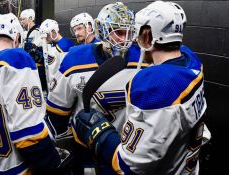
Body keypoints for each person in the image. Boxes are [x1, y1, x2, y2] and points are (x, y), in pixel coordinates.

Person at [71, 1, 209, 174]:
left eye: (136, 32)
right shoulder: (192, 62)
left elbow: (128, 166)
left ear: (148, 37)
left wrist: (99, 132)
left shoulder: (156, 85)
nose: (132, 39)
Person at [46, 2, 145, 175]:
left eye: (130, 32)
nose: (125, 39)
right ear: (102, 31)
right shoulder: (75, 59)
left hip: (129, 150)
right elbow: (57, 115)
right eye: (119, 32)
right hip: (88, 151)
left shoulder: (144, 58)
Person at [0, 14, 68, 175]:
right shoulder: (17, 59)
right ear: (17, 36)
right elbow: (28, 132)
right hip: (20, 167)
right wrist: (53, 163)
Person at [39, 19, 74, 91]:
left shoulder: (64, 44)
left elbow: (54, 67)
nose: (45, 37)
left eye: (47, 34)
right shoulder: (55, 44)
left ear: (53, 32)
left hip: (61, 83)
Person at [20, 8, 48, 92]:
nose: (22, 21)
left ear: (31, 19)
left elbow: (42, 51)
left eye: (23, 19)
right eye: (21, 19)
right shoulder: (26, 32)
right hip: (31, 66)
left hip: (39, 67)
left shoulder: (39, 31)